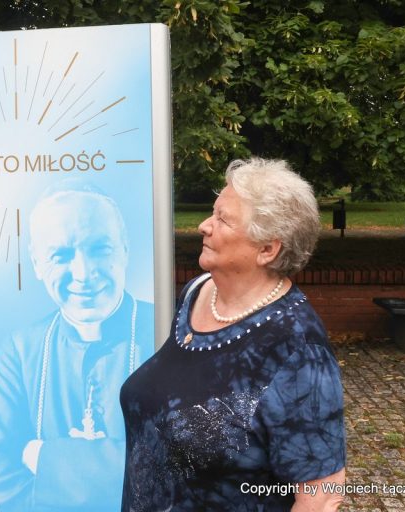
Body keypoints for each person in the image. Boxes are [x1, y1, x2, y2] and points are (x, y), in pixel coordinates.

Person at [121, 158, 346, 511]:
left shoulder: (298, 347)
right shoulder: (197, 293)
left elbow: (323, 494)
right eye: (213, 213)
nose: (203, 226)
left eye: (223, 219)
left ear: (267, 249)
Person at [0, 184, 154, 511]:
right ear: (37, 263)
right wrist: (110, 465)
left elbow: (178, 459)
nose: (83, 274)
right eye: (61, 255)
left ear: (124, 250)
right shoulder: (23, 349)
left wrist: (42, 457)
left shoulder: (166, 332)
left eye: (99, 249)